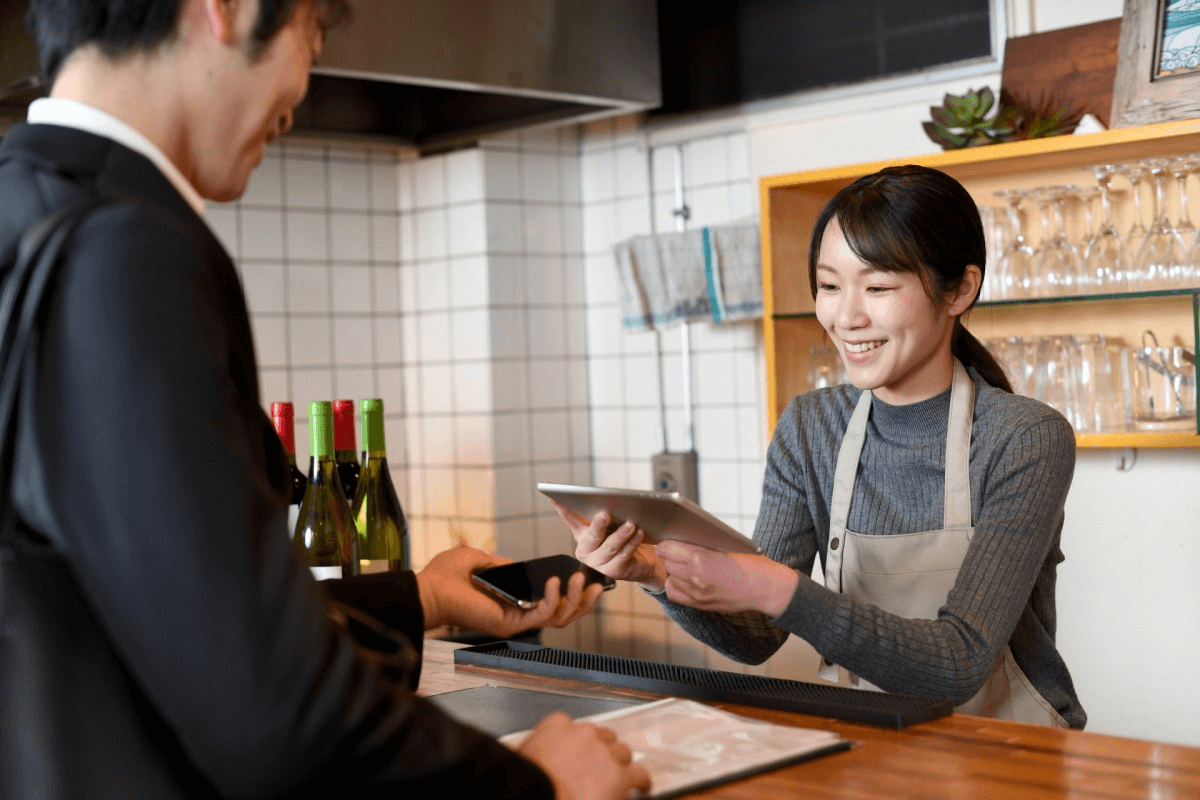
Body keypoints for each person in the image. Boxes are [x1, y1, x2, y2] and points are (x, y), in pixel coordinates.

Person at [0, 1, 650, 798]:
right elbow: (263, 707)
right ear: (227, 10)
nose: (303, 89)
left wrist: (422, 595)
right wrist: (535, 784)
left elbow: (146, 603)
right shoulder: (124, 247)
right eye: (315, 34)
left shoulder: (26, 214)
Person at [558, 164, 1087, 729]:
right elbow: (758, 637)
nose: (845, 317)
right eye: (830, 286)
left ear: (959, 289)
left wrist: (774, 585)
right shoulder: (812, 426)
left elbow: (957, 666)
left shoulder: (1025, 437)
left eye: (878, 287)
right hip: (874, 742)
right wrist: (659, 576)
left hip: (1010, 752)